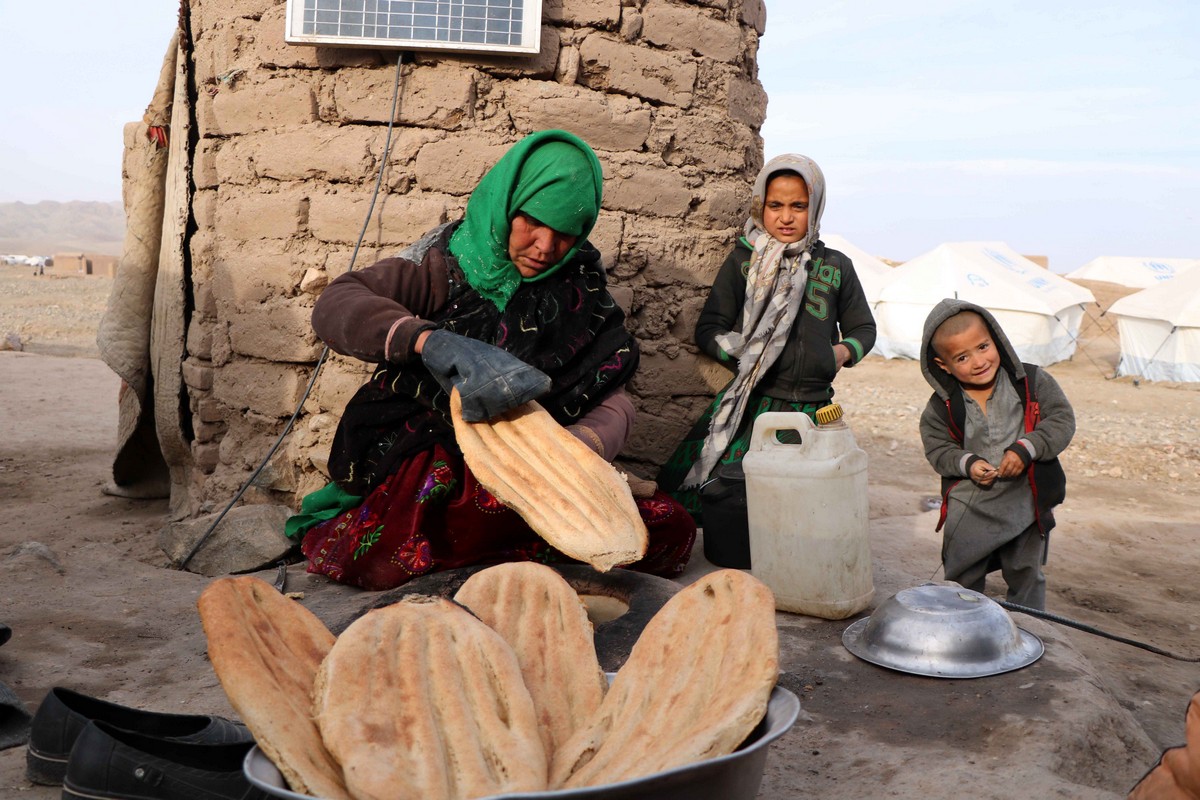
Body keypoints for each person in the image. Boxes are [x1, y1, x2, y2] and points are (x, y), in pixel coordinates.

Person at [285, 129, 696, 591]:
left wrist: (582, 445)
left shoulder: (584, 291)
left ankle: (518, 559)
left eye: (564, 234)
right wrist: (428, 341)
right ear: (508, 204)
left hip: (544, 464)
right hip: (444, 451)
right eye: (532, 223)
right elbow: (337, 303)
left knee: (666, 530)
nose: (544, 247)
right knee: (425, 529)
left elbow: (614, 398)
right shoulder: (444, 263)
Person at [656, 154, 877, 520]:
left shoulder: (836, 266)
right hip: (754, 404)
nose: (786, 217)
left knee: (804, 505)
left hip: (814, 409)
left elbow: (864, 329)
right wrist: (750, 356)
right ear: (761, 205)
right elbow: (709, 328)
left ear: (816, 207)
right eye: (775, 205)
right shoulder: (744, 261)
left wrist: (838, 354)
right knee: (718, 497)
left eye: (798, 206)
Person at [918, 299, 1076, 610]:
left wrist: (1027, 448)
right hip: (970, 505)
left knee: (1026, 573)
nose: (978, 361)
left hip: (1025, 501)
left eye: (983, 347)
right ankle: (961, 628)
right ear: (943, 365)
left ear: (996, 338)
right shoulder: (942, 405)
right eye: (962, 357)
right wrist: (968, 463)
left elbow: (1061, 420)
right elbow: (938, 448)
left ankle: (1031, 630)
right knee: (961, 578)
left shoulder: (1030, 382)